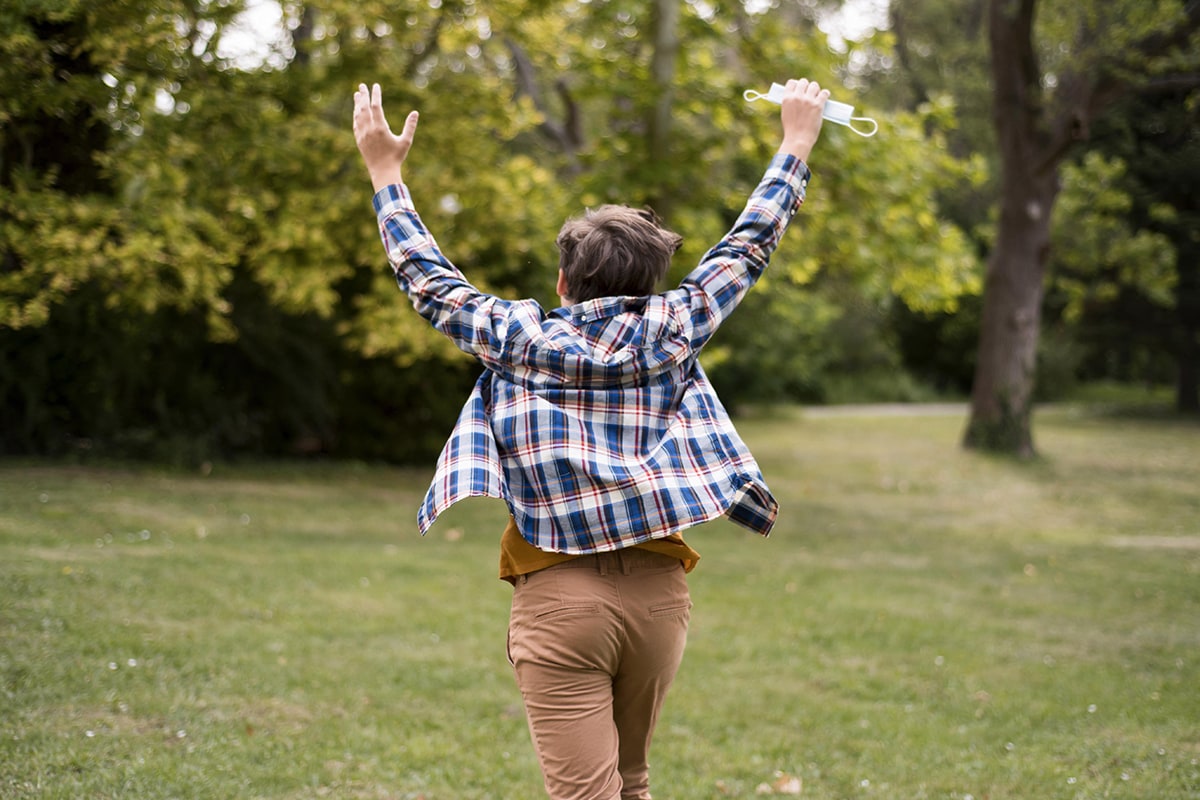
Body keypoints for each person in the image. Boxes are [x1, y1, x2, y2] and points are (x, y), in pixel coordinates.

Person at [353, 77, 829, 800]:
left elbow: (428, 278)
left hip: (559, 600)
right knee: (630, 783)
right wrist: (796, 141)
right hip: (660, 600)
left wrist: (386, 171)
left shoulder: (519, 339)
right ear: (653, 282)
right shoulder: (674, 327)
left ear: (563, 280)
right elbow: (749, 244)